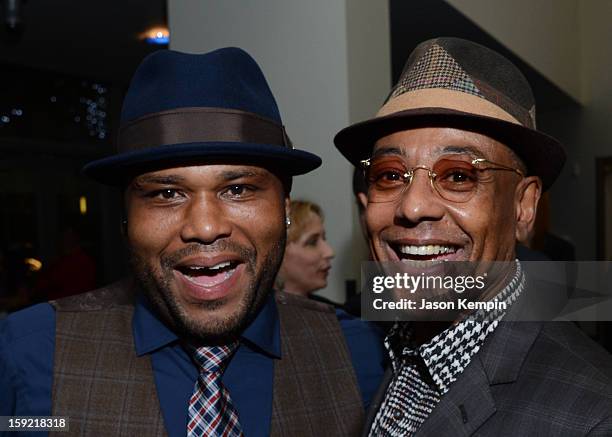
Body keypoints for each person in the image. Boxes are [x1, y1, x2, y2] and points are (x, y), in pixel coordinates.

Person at [0, 48, 385, 437]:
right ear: (125, 218)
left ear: (284, 209)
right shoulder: (29, 352)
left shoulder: (362, 353)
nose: (204, 227)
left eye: (238, 189)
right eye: (166, 194)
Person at [334, 37, 612, 435]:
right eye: (390, 175)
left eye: (459, 176)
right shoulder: (387, 351)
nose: (412, 207)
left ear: (523, 205)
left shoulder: (593, 416)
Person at [275, 200, 337, 302]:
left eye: (324, 239)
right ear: (278, 252)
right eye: (312, 242)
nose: (330, 252)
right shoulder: (253, 315)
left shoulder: (333, 314)